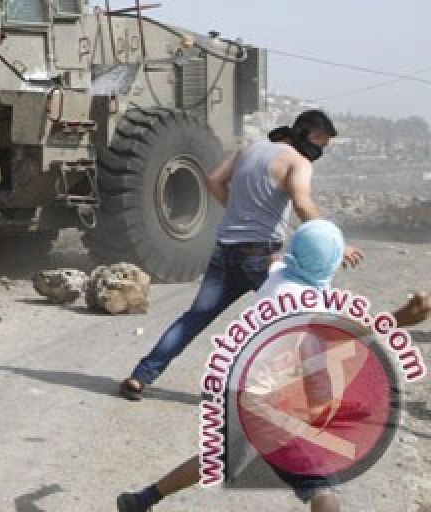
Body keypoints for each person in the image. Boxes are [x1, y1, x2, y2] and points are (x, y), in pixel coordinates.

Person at [121, 109, 362, 401]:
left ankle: (140, 376)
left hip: (225, 250)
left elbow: (213, 181)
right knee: (300, 318)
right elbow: (302, 203)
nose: (320, 151)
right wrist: (335, 242)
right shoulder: (298, 163)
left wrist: (238, 211)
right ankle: (316, 396)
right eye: (320, 143)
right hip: (262, 257)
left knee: (194, 318)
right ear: (305, 134)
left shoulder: (251, 149)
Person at [117, 220, 349, 511]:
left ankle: (143, 500)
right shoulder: (309, 309)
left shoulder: (278, 277)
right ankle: (143, 499)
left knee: (220, 456)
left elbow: (278, 262)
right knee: (321, 485)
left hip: (239, 387)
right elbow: (318, 372)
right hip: (267, 404)